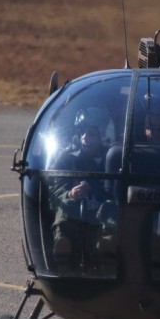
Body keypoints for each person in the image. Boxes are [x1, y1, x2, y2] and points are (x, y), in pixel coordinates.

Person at [49, 107, 111, 261]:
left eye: (90, 133)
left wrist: (95, 188)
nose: (84, 137)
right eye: (81, 132)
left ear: (103, 134)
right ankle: (62, 247)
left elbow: (119, 191)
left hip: (102, 212)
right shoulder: (68, 160)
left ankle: (107, 244)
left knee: (111, 207)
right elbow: (55, 194)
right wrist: (70, 194)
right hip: (75, 213)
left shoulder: (113, 159)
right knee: (64, 207)